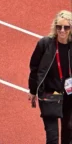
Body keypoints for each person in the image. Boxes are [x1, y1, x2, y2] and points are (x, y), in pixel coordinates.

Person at [28, 10, 72, 144]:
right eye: (59, 27)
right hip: (50, 94)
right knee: (52, 138)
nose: (62, 30)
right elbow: (34, 68)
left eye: (66, 27)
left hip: (69, 96)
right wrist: (33, 90)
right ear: (55, 26)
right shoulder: (44, 44)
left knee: (69, 132)